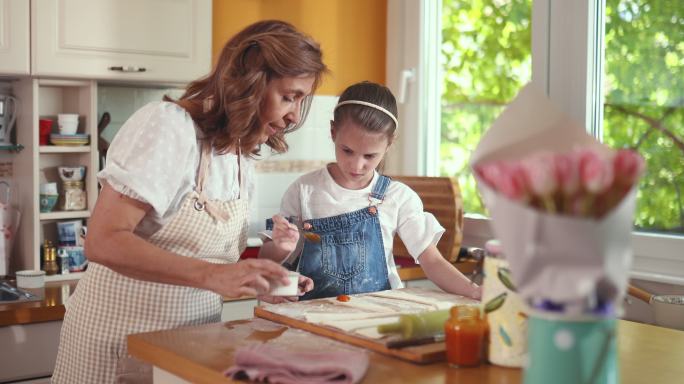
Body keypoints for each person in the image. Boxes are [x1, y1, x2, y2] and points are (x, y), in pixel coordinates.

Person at [52, 20, 327, 383]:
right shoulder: (169, 127)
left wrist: (263, 284)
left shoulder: (242, 155)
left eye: (301, 100)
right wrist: (215, 276)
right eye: (289, 96)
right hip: (118, 344)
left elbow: (207, 262)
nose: (294, 116)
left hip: (186, 349)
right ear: (250, 81)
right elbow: (102, 240)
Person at [259, 81, 481, 300]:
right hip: (313, 320)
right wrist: (279, 247)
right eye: (347, 150)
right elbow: (265, 260)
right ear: (333, 131)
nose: (356, 166)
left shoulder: (399, 197)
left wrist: (474, 291)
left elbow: (432, 261)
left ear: (389, 144)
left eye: (369, 156)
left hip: (378, 320)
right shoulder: (301, 190)